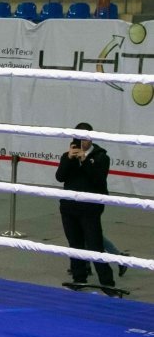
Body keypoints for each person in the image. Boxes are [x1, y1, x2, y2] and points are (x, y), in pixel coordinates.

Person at [55, 122, 115, 288]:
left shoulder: (102, 157)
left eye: (85, 138)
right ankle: (79, 278)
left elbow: (99, 180)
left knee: (95, 245)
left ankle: (107, 282)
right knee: (75, 245)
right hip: (69, 207)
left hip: (90, 208)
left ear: (91, 138)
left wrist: (85, 160)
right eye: (79, 137)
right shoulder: (67, 156)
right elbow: (60, 177)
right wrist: (69, 159)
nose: (82, 141)